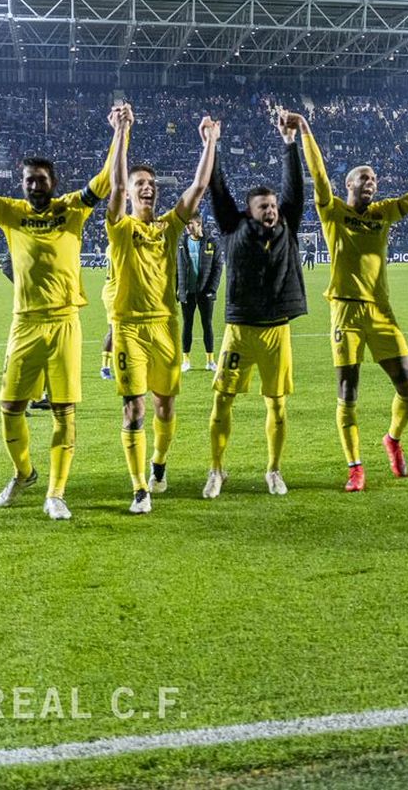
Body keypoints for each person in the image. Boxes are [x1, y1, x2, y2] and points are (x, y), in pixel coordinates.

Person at [0, 105, 118, 520]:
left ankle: (56, 493)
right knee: (9, 410)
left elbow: (106, 181)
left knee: (64, 411)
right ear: (21, 184)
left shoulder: (72, 208)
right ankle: (24, 473)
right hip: (24, 325)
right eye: (28, 180)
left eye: (41, 180)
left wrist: (119, 132)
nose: (34, 185)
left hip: (64, 323)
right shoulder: (11, 212)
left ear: (52, 183)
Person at [296, 109, 408, 492]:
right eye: (365, 178)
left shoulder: (383, 212)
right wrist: (305, 130)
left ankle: (392, 439)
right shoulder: (333, 211)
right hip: (344, 310)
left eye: (375, 179)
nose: (372, 183)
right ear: (349, 184)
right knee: (348, 391)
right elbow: (318, 175)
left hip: (381, 313)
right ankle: (355, 466)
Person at [103, 106, 217, 514]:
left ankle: (159, 466)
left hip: (165, 328)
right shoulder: (121, 228)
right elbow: (114, 186)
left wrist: (211, 143)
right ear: (131, 192)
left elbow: (198, 188)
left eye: (151, 183)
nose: (147, 187)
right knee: (133, 408)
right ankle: (139, 489)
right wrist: (121, 133)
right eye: (140, 183)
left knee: (164, 407)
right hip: (129, 328)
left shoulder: (169, 226)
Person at [203, 110, 307, 498]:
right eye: (263, 206)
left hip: (277, 329)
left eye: (273, 205)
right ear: (250, 211)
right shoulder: (233, 228)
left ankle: (274, 470)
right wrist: (211, 143)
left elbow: (295, 189)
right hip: (240, 330)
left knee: (277, 406)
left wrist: (289, 143)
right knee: (222, 400)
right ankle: (216, 470)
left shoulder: (288, 228)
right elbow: (217, 188)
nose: (272, 209)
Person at [177, 212, 222, 373]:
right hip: (187, 292)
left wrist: (212, 290)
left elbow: (218, 268)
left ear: (199, 224)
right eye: (186, 224)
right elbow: (177, 268)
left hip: (205, 292)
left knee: (207, 325)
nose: (188, 227)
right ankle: (186, 361)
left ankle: (210, 361)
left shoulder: (211, 242)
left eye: (190, 224)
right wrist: (178, 289)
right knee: (187, 326)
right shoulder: (181, 243)